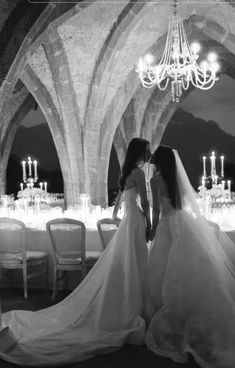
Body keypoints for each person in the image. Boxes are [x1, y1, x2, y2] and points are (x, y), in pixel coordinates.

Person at [0, 138, 151, 366]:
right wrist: (147, 222)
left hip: (128, 225)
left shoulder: (125, 175)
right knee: (138, 264)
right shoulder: (139, 173)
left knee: (125, 266)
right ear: (141, 152)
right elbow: (147, 203)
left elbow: (114, 216)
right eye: (147, 150)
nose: (150, 153)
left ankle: (122, 305)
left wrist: (126, 221)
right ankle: (135, 308)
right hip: (137, 223)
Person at [144, 145, 235, 368]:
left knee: (164, 268)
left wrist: (152, 230)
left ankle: (170, 316)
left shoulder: (155, 181)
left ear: (158, 162)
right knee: (187, 269)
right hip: (183, 224)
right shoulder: (176, 179)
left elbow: (156, 210)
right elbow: (184, 205)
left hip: (166, 226)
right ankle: (188, 312)